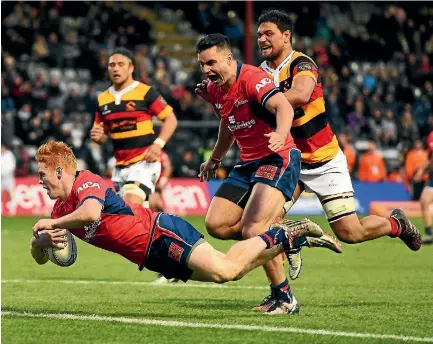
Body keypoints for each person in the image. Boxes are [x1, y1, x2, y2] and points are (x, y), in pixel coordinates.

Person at [251, 9, 421, 311]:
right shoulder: (257, 73)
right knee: (261, 224)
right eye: (259, 34)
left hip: (324, 159)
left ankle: (396, 224)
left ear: (286, 35)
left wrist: (261, 102)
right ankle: (280, 291)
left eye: (268, 33)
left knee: (350, 233)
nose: (261, 38)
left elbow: (301, 95)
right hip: (288, 159)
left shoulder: (302, 64)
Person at [30, 141, 324, 289]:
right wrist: (39, 244)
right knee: (230, 273)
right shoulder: (60, 210)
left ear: (60, 171)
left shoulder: (86, 181)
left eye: (43, 174)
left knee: (225, 269)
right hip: (151, 256)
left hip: (161, 233)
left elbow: (91, 212)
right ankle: (285, 238)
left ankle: (285, 232)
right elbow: (56, 258)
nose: (40, 181)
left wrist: (52, 224)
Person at [194, 33, 341, 315]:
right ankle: (287, 235)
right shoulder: (214, 88)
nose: (206, 70)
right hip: (247, 163)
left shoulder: (251, 78)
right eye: (202, 65)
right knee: (217, 224)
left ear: (228, 58)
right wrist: (215, 158)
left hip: (278, 157)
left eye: (211, 62)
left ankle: (284, 298)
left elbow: (283, 106)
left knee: (253, 229)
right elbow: (228, 123)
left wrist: (281, 134)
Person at [90, 47, 178, 207]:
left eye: (121, 64)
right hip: (120, 166)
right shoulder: (102, 99)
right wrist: (98, 137)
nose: (115, 68)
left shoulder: (146, 92)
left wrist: (158, 145)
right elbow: (102, 135)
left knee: (131, 205)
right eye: (112, 65)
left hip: (144, 162)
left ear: (131, 68)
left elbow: (171, 119)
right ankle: (159, 228)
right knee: (130, 216)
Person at [414, 131, 433, 244]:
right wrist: (420, 171)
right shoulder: (431, 136)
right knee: (424, 201)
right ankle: (429, 233)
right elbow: (430, 157)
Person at [1, 144, 17, 215]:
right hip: (0, 177)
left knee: (10, 192)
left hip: (8, 177)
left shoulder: (9, 155)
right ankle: (0, 210)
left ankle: (12, 210)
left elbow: (12, 166)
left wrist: (7, 172)